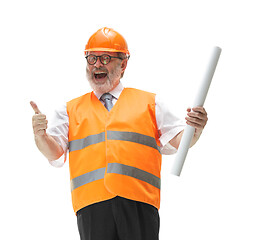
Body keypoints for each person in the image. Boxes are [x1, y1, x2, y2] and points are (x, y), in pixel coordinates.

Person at [30, 27, 208, 240]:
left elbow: (180, 140)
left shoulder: (150, 103)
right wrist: (40, 135)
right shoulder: (69, 110)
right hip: (91, 207)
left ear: (123, 64)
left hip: (139, 204)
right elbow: (54, 153)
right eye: (92, 58)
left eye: (105, 58)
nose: (97, 64)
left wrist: (194, 130)